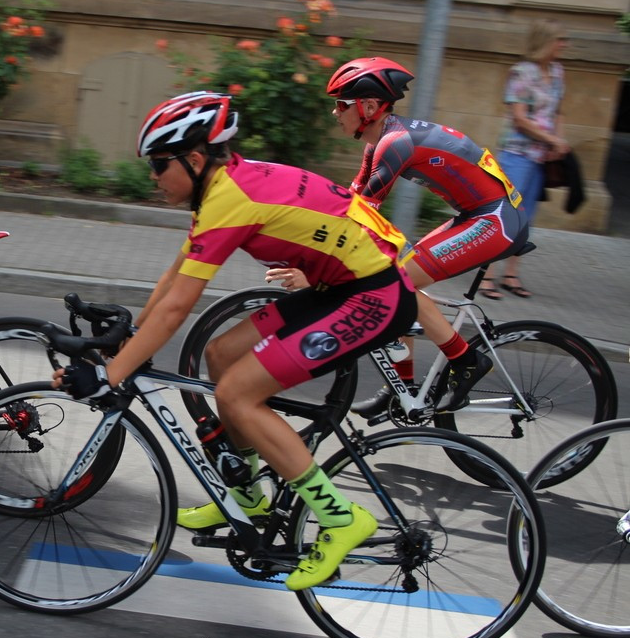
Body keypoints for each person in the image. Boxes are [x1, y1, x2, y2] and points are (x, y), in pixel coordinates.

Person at [51, 91, 418, 590]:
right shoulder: (222, 186)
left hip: (372, 296)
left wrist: (109, 376)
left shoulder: (230, 199)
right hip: (342, 286)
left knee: (236, 394)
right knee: (220, 354)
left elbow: (181, 306)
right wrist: (132, 337)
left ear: (195, 159)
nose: (153, 177)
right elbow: (177, 272)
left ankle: (340, 518)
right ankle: (247, 497)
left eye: (160, 165)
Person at [309, 56, 530, 419]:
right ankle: (402, 389)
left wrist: (318, 255)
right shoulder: (378, 142)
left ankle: (467, 361)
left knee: (397, 281)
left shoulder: (395, 143)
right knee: (394, 273)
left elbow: (364, 216)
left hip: (496, 219)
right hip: (477, 215)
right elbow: (350, 203)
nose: (335, 112)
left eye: (340, 104)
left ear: (367, 107)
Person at [490, 20, 571, 298]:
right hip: (517, 154)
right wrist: (552, 140)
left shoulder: (558, 72)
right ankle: (487, 275)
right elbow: (520, 118)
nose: (563, 44)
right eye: (559, 39)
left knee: (527, 218)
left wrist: (558, 141)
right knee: (505, 215)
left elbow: (558, 111)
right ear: (545, 41)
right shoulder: (522, 72)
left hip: (540, 158)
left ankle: (511, 274)